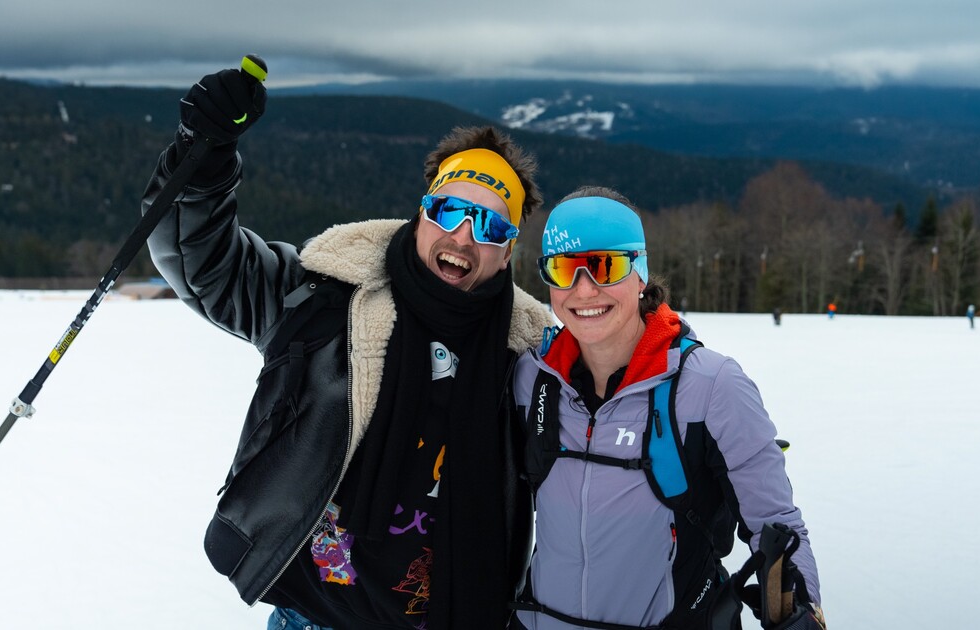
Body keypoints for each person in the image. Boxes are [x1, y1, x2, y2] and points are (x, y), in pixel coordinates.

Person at [141, 62, 554, 629]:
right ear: (422, 214)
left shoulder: (533, 358)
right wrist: (204, 152)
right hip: (314, 617)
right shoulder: (327, 297)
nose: (463, 236)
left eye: (490, 227)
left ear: (507, 253)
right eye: (450, 211)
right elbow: (203, 262)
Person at [511, 188, 824, 629]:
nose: (584, 289)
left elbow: (775, 522)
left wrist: (800, 612)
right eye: (563, 268)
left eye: (605, 266)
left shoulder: (710, 386)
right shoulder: (532, 382)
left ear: (640, 272)